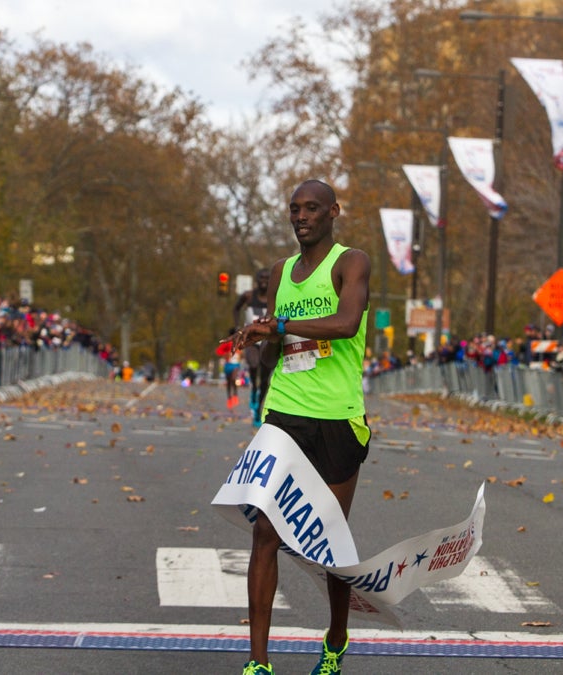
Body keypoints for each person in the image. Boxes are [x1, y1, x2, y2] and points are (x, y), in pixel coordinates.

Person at [226, 180, 370, 675]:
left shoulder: (352, 263)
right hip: (285, 413)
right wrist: (258, 337)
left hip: (337, 418)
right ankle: (258, 663)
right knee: (266, 530)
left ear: (333, 211)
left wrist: (282, 327)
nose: (301, 216)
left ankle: (335, 637)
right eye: (294, 209)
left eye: (311, 208)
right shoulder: (280, 272)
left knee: (328, 539)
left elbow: (347, 323)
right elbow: (273, 353)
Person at [233, 268, 275, 426]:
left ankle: (258, 410)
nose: (264, 280)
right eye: (261, 277)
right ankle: (253, 391)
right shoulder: (249, 296)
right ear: (256, 279)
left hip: (267, 339)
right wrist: (237, 326)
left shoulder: (274, 297)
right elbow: (236, 308)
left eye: (267, 277)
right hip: (251, 338)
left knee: (265, 378)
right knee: (254, 363)